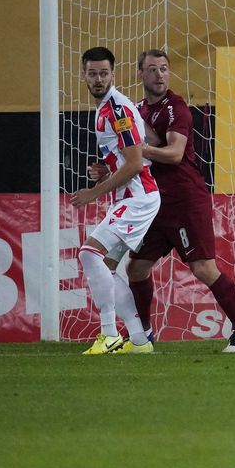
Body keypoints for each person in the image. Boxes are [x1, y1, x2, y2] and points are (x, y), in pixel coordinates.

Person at [110, 49, 235, 353]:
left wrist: (139, 150)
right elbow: (128, 157)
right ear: (140, 74)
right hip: (153, 204)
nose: (159, 74)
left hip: (185, 201)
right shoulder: (137, 110)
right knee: (136, 269)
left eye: (164, 69)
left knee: (203, 268)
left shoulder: (176, 108)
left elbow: (175, 154)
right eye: (152, 69)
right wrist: (106, 168)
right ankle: (144, 335)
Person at [70, 46, 158, 355]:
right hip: (133, 195)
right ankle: (138, 340)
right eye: (92, 73)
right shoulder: (105, 107)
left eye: (103, 73)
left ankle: (108, 335)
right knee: (104, 265)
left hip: (139, 197)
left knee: (88, 254)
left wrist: (93, 193)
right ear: (84, 75)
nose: (98, 79)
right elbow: (126, 158)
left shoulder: (117, 109)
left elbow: (135, 163)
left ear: (113, 74)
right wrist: (105, 168)